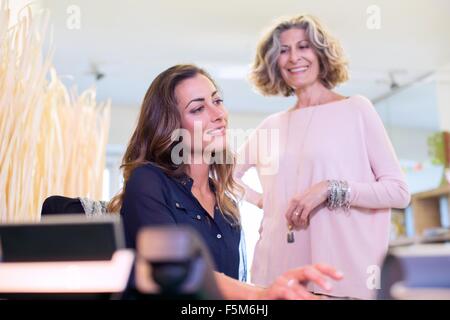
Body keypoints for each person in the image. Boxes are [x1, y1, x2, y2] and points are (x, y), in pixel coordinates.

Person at [107, 64, 343, 300]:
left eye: (217, 101)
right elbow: (175, 272)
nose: (218, 114)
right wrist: (262, 294)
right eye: (198, 108)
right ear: (170, 126)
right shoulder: (148, 180)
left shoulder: (225, 205)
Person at [235, 14, 411, 299]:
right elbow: (224, 176)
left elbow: (399, 192)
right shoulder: (270, 126)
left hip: (343, 277)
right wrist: (263, 201)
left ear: (320, 53)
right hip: (277, 274)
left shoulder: (356, 109)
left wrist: (330, 189)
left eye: (303, 46)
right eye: (283, 50)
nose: (294, 57)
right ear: (273, 62)